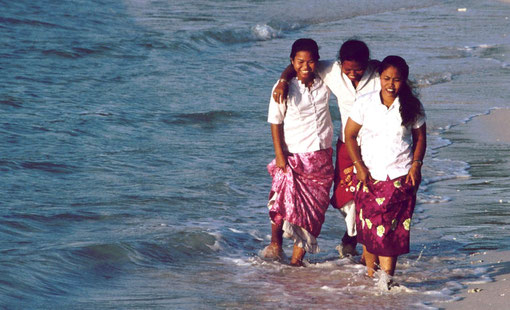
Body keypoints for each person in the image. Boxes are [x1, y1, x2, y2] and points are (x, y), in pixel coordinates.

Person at [272, 39, 380, 258]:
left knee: (372, 193)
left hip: (375, 145)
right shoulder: (332, 71)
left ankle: (363, 245)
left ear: (367, 64)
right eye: (348, 69)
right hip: (346, 144)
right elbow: (300, 64)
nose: (352, 73)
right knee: (344, 196)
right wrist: (283, 79)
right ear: (341, 64)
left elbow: (395, 78)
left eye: (358, 69)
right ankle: (352, 236)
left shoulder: (377, 76)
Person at [343, 55, 427, 281]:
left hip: (401, 177)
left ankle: (386, 281)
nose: (391, 84)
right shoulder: (365, 102)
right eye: (386, 78)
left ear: (404, 80)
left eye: (397, 79)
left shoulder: (412, 106)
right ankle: (373, 275)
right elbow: (349, 135)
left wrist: (416, 165)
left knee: (391, 234)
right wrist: (358, 166)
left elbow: (420, 138)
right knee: (370, 232)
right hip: (369, 176)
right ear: (380, 78)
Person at [263, 38, 334, 266]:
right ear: (292, 61)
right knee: (283, 203)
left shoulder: (326, 79)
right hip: (294, 155)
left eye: (311, 61)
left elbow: (351, 68)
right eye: (300, 61)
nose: (305, 66)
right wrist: (280, 154)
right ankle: (275, 245)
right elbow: (275, 122)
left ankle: (296, 261)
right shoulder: (283, 88)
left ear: (318, 61)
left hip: (322, 156)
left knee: (313, 211)